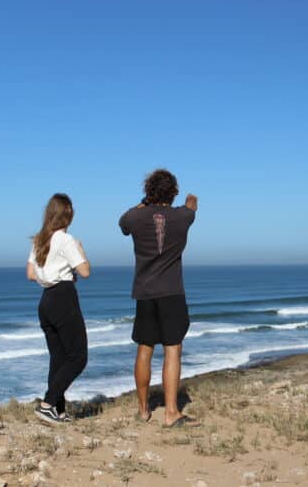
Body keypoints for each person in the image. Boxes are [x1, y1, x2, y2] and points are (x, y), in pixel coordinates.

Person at [119, 169, 198, 427]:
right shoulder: (183, 217)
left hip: (145, 292)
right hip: (172, 292)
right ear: (172, 191)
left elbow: (124, 222)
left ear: (149, 191)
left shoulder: (136, 216)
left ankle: (143, 410)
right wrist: (185, 199)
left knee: (145, 348)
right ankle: (171, 412)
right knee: (172, 349)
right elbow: (192, 204)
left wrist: (146, 202)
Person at [27, 193, 90, 425]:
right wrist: (80, 250)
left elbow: (31, 274)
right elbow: (85, 271)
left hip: (46, 300)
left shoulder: (40, 239)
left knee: (59, 357)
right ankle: (47, 404)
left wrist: (50, 275)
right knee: (78, 357)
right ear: (68, 214)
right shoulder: (66, 240)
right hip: (63, 297)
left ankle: (58, 411)